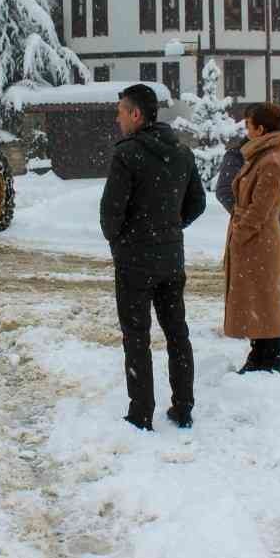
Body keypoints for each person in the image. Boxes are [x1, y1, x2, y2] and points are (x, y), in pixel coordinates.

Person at [100, 84, 207, 431]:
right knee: (177, 333)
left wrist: (121, 241)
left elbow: (110, 213)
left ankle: (141, 412)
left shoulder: (127, 154)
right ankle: (183, 406)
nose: (117, 118)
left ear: (136, 114)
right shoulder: (181, 152)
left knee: (136, 336)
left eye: (120, 111)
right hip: (171, 259)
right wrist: (170, 228)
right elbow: (198, 203)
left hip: (134, 261)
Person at [222, 103, 280, 375]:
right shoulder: (264, 155)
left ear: (260, 129)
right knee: (258, 300)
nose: (245, 130)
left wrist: (239, 235)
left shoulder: (271, 161)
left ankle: (269, 360)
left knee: (264, 300)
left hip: (259, 241)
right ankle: (260, 356)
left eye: (248, 125)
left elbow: (259, 210)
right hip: (256, 240)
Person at [215, 137, 280, 287]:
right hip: (247, 230)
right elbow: (224, 191)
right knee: (247, 284)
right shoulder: (236, 156)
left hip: (273, 227)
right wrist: (248, 215)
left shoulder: (272, 155)